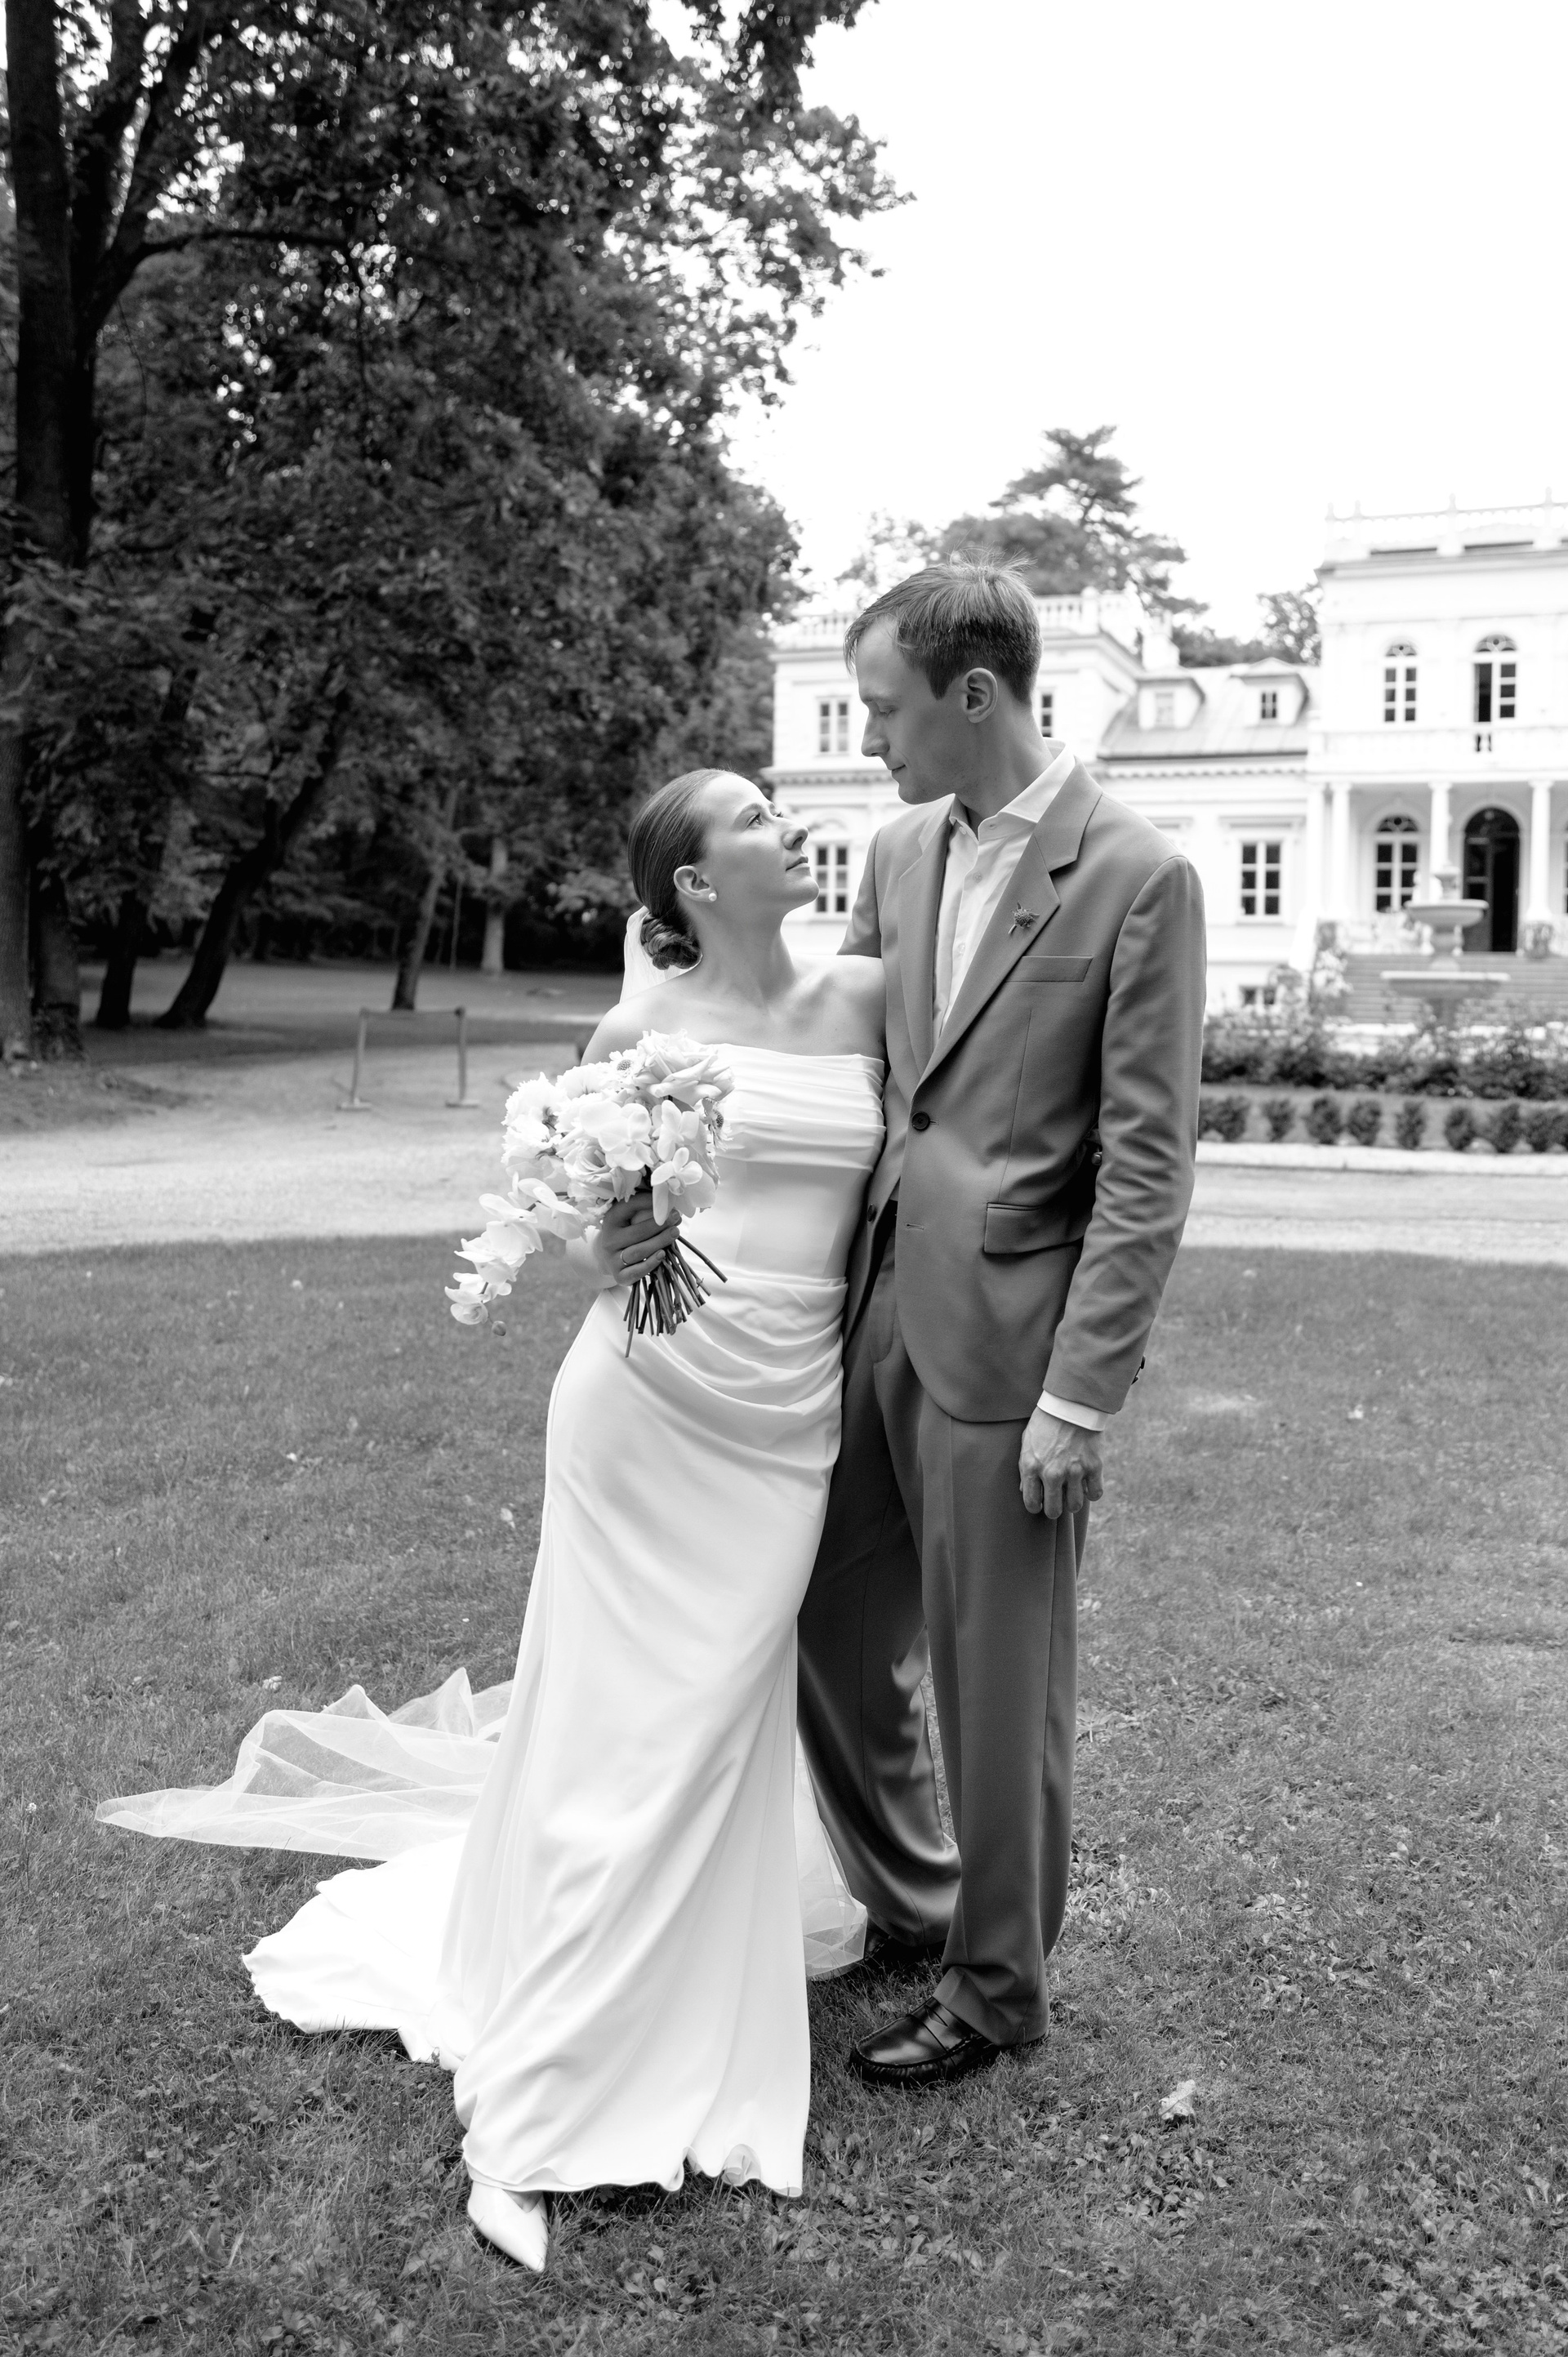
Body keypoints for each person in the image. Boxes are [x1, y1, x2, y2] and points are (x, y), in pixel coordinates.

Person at [99, 768, 885, 2274]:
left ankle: (685, 1988)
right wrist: (620, 1236)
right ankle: (541, 2097)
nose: (790, 825)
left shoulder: (865, 997)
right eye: (755, 817)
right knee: (619, 1727)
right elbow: (596, 1233)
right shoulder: (636, 1031)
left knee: (725, 1708)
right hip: (649, 1400)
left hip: (789, 1409)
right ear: (697, 882)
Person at [796, 559, 1206, 2088]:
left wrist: (1080, 1395)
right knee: (823, 1618)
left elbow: (1148, 1164)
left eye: (884, 710)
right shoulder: (900, 849)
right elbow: (833, 1052)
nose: (870, 742)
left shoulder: (1140, 876)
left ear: (976, 695)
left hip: (1014, 1353)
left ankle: (995, 1986)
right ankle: (919, 1895)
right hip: (873, 1307)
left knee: (996, 1681)